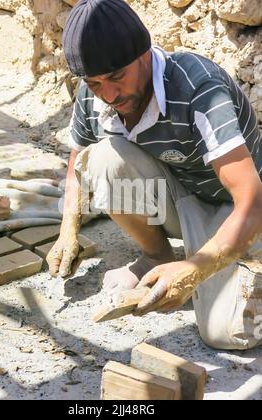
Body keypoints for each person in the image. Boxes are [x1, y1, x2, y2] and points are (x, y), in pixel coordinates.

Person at [47, 0, 262, 350]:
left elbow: (252, 203)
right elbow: (77, 163)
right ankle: (157, 255)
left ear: (145, 54)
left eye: (117, 76)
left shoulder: (198, 88)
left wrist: (194, 271)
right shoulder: (95, 94)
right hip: (183, 198)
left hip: (236, 212)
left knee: (226, 334)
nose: (110, 94)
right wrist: (67, 232)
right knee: (101, 159)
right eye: (95, 82)